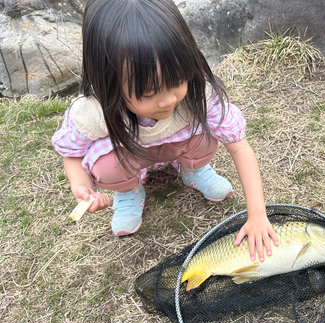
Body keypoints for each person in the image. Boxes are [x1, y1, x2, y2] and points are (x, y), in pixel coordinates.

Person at [52, 0, 278, 262]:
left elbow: (239, 146)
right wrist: (81, 186)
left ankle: (193, 169)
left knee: (206, 134)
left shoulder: (198, 94)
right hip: (129, 153)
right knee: (107, 166)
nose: (167, 101)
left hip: (180, 143)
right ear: (108, 82)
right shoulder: (93, 113)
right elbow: (72, 154)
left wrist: (257, 215)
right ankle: (129, 190)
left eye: (176, 81)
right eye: (148, 93)